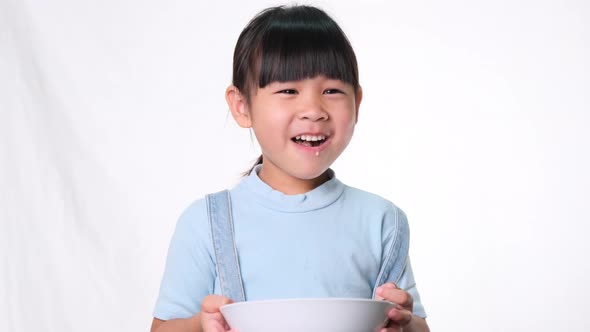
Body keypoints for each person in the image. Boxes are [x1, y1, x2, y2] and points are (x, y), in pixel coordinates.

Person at [151, 5, 429, 332]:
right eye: (288, 90)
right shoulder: (207, 223)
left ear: (357, 103)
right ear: (242, 106)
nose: (313, 110)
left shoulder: (382, 220)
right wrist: (201, 324)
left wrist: (404, 323)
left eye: (332, 91)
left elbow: (417, 324)